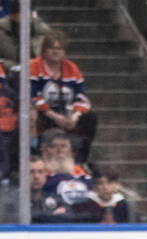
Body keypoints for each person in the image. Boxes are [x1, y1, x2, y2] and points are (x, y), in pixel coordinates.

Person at [30, 31, 97, 163]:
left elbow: (81, 96)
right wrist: (54, 116)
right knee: (34, 115)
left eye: (59, 49)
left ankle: (81, 160)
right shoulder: (34, 66)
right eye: (52, 48)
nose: (56, 52)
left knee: (90, 117)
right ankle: (37, 154)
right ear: (44, 50)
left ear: (64, 51)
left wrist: (75, 116)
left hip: (66, 112)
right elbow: (33, 95)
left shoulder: (72, 68)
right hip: (44, 113)